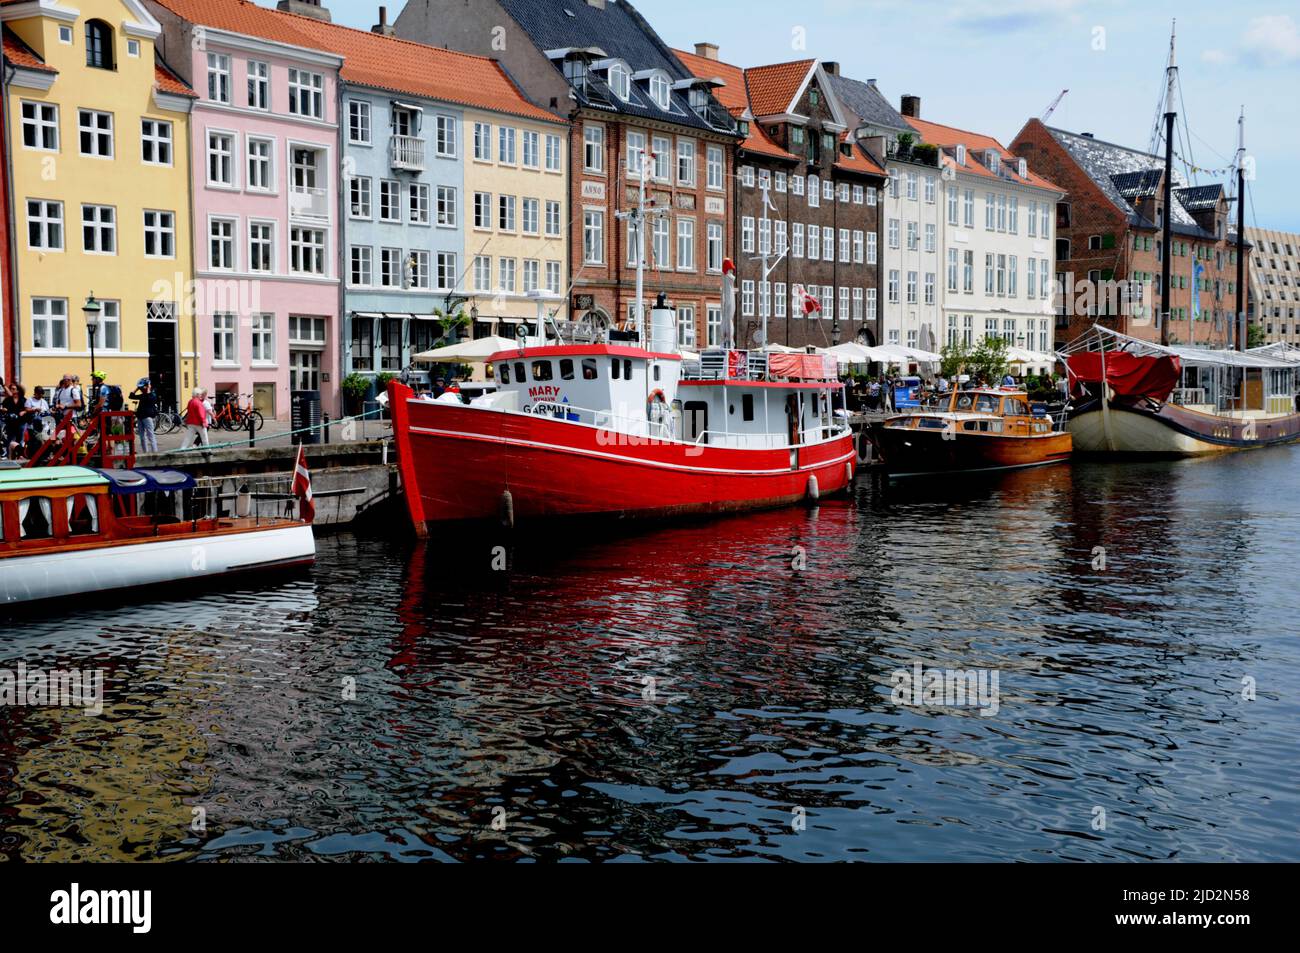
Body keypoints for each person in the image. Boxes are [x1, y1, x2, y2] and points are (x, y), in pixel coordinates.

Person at [131, 377, 160, 454]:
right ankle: (145, 453)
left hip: (147, 418)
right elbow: (131, 396)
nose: (141, 389)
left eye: (141, 388)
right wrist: (137, 388)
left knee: (150, 436)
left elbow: (151, 398)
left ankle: (155, 453)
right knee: (142, 437)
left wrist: (148, 388)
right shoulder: (142, 395)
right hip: (140, 417)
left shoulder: (152, 395)